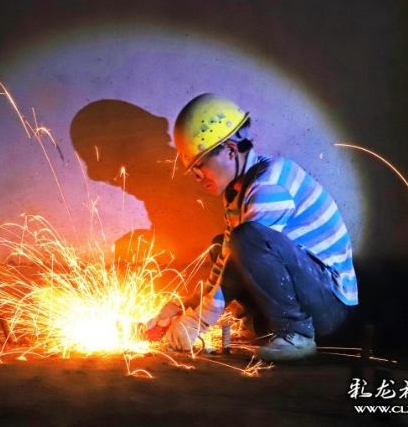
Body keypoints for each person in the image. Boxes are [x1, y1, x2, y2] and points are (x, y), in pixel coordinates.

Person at [145, 93, 358, 361]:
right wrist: (182, 307)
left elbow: (247, 248)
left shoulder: (269, 184)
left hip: (329, 309)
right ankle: (261, 327)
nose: (197, 176)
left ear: (230, 150)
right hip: (305, 297)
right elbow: (226, 261)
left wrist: (197, 322)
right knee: (222, 245)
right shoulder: (237, 192)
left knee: (246, 237)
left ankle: (297, 334)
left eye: (200, 165)